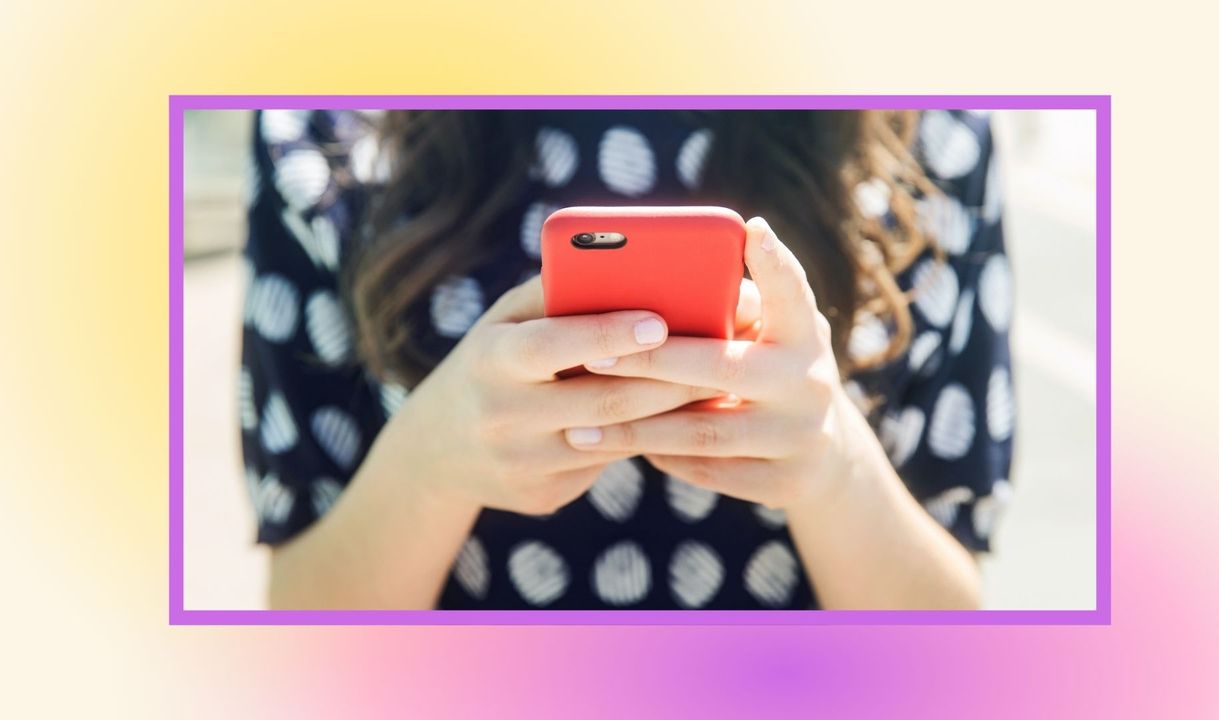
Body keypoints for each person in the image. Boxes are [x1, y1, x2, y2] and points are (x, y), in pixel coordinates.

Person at [239, 108, 1014, 609]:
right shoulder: (325, 133)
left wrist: (834, 467)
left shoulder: (930, 139)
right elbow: (303, 623)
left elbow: (948, 641)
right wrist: (428, 469)